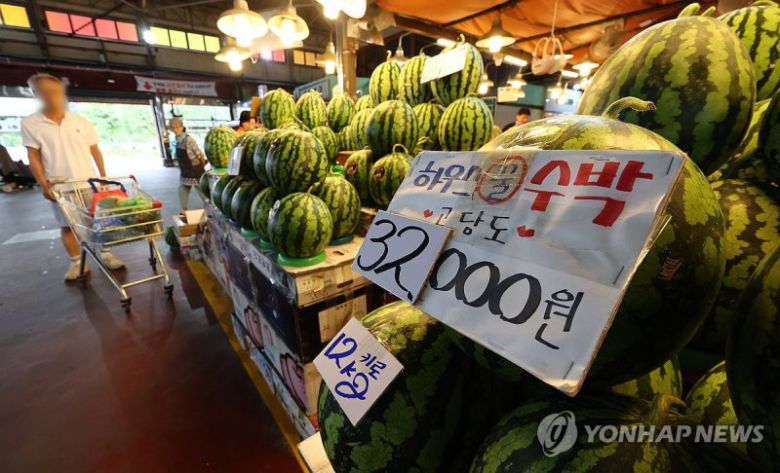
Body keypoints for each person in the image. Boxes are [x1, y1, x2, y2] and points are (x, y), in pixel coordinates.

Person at [21, 73, 125, 281]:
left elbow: (95, 150)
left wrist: (103, 177)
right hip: (59, 185)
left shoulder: (80, 121)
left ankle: (106, 254)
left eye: (56, 92)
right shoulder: (31, 123)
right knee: (67, 225)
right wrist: (43, 184)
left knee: (99, 221)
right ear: (36, 94)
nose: (52, 96)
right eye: (46, 92)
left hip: (88, 182)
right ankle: (77, 263)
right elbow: (33, 156)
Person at [169, 116, 206, 211]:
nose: (175, 130)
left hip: (195, 169)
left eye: (177, 127)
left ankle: (210, 208)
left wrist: (202, 167)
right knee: (182, 189)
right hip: (185, 170)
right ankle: (184, 210)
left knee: (202, 191)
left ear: (182, 127)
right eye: (173, 128)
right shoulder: (177, 139)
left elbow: (200, 155)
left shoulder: (189, 140)